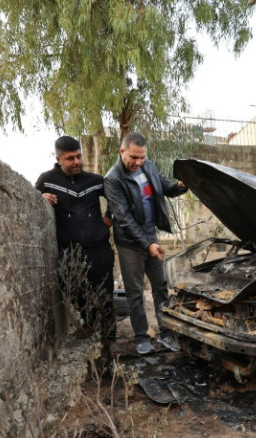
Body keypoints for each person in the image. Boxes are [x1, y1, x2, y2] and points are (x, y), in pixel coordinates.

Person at [103, 132, 187, 354]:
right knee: (135, 291)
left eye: (142, 157)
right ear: (122, 152)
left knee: (161, 285)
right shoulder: (113, 179)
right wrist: (147, 244)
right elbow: (123, 218)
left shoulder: (148, 166)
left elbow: (164, 187)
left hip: (151, 237)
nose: (138, 162)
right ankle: (142, 337)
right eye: (133, 157)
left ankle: (167, 332)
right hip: (130, 243)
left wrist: (180, 185)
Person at [35, 136, 115, 340]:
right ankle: (89, 322)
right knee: (71, 286)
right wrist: (41, 199)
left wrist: (108, 218)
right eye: (71, 158)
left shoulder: (95, 181)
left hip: (98, 248)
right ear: (59, 159)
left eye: (78, 157)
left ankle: (110, 339)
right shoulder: (47, 180)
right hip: (69, 250)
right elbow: (31, 200)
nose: (77, 162)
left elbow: (117, 200)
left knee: (105, 292)